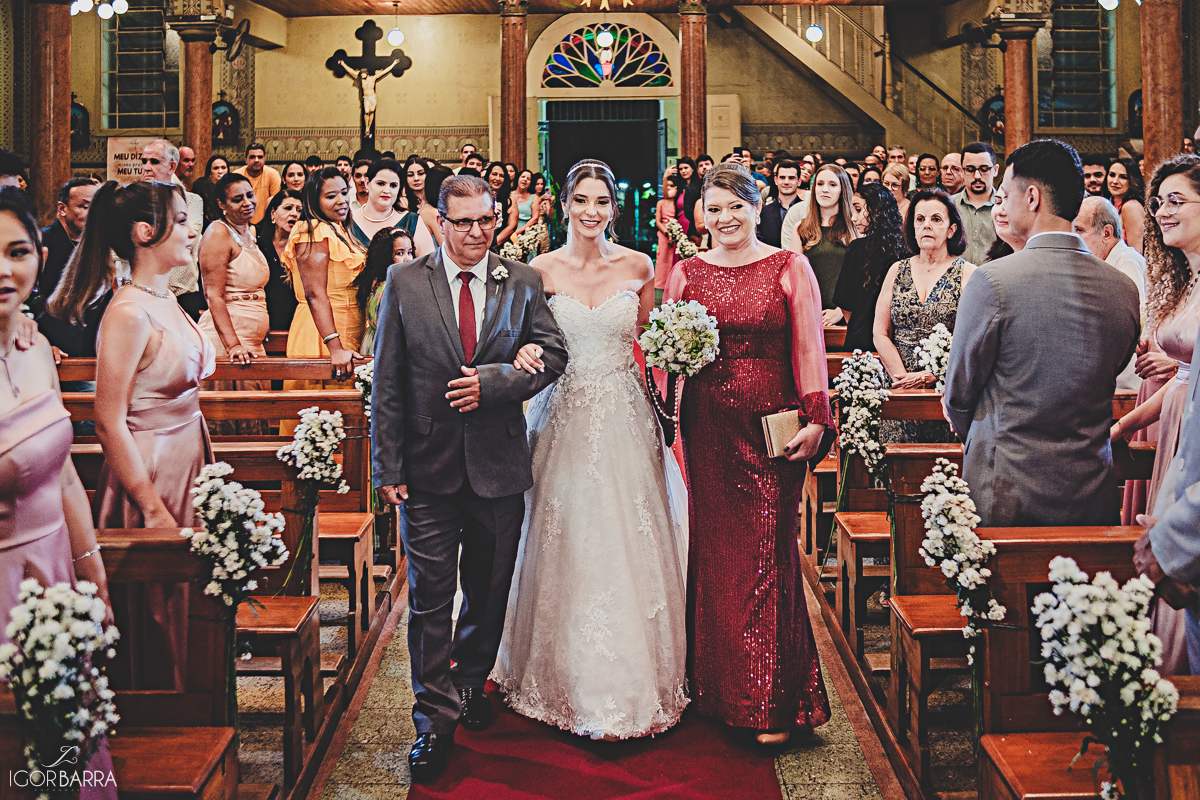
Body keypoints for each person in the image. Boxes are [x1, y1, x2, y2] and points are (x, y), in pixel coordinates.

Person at [370, 174, 568, 782]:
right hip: (427, 471)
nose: (477, 233)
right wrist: (388, 466)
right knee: (430, 601)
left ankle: (468, 682)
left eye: (486, 220)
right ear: (438, 221)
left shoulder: (523, 281)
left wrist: (501, 382)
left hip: (498, 465)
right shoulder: (406, 282)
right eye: (463, 222)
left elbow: (554, 354)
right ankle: (433, 721)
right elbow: (388, 381)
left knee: (486, 592)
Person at [493, 159, 689, 741]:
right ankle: (558, 676)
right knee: (567, 531)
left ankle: (633, 680)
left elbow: (654, 339)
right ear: (565, 203)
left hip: (625, 414)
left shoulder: (638, 264)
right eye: (582, 200)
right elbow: (519, 338)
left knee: (629, 535)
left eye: (602, 201)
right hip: (564, 412)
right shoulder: (540, 269)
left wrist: (681, 351)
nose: (592, 212)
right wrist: (525, 356)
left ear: (613, 206)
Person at [662, 162, 831, 746]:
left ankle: (769, 698)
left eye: (736, 206)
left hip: (771, 425)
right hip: (706, 426)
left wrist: (817, 419)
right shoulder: (686, 272)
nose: (725, 218)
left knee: (767, 553)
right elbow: (666, 354)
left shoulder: (789, 266)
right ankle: (712, 688)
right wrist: (663, 414)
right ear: (701, 216)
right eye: (714, 208)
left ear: (758, 209)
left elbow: (809, 345)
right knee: (713, 552)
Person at [944, 139, 1140, 527]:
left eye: (1006, 192)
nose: (1001, 203)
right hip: (1090, 489)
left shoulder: (993, 280)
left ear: (1031, 197)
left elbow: (958, 394)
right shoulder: (1122, 287)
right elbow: (1115, 366)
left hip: (1008, 489)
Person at [0, 186, 117, 799]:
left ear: (40, 257)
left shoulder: (34, 346)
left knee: (71, 760)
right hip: (4, 588)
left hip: (55, 574)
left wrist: (91, 571)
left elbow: (64, 469)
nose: (3, 269)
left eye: (17, 250)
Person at [87, 180, 215, 691]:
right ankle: (168, 710)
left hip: (189, 453)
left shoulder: (163, 297)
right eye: (181, 220)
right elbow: (107, 420)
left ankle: (198, 700)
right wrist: (152, 507)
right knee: (161, 604)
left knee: (191, 599)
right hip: (153, 469)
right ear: (145, 232)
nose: (191, 230)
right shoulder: (127, 312)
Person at [874, 190, 975, 443]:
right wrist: (903, 381)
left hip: (944, 386)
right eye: (920, 219)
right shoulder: (897, 270)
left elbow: (972, 340)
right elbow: (880, 332)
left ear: (951, 229)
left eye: (936, 219)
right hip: (898, 382)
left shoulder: (968, 274)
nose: (926, 225)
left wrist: (929, 378)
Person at [195, 174, 271, 435]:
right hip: (226, 339)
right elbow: (213, 295)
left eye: (250, 195)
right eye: (237, 199)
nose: (247, 202)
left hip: (252, 337)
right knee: (228, 423)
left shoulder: (251, 231)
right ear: (222, 204)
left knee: (255, 415)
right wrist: (233, 345)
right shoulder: (218, 232)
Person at [282, 167, 368, 390]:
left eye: (343, 192)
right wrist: (334, 346)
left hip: (347, 326)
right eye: (331, 196)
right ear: (314, 201)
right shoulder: (314, 231)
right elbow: (314, 293)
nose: (341, 201)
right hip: (323, 333)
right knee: (321, 413)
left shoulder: (339, 229)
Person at [1073, 196, 1147, 391]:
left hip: (1128, 381)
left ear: (1106, 233)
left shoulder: (1127, 260)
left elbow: (1134, 321)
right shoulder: (1097, 263)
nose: (1073, 238)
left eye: (1079, 230)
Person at [833, 183, 907, 352]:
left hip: (861, 337)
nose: (853, 218)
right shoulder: (907, 248)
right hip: (897, 340)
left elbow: (845, 303)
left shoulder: (857, 249)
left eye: (858, 210)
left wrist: (859, 326)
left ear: (876, 210)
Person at [783, 163, 857, 322]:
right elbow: (795, 279)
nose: (825, 189)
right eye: (820, 184)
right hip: (810, 314)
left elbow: (862, 278)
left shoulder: (855, 228)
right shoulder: (801, 228)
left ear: (842, 190)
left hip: (848, 314)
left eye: (832, 185)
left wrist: (840, 311)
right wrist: (808, 311)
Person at [142, 140, 205, 320]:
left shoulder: (191, 200)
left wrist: (149, 240)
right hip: (144, 292)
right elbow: (118, 249)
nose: (146, 167)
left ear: (171, 166)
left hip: (181, 293)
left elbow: (187, 240)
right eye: (144, 161)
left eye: (154, 162)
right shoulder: (134, 201)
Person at [350, 158, 436, 256]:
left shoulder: (412, 221)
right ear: (367, 183)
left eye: (393, 185)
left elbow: (429, 265)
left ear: (399, 188)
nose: (387, 190)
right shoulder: (348, 221)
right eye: (381, 184)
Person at [354, 226, 414, 355]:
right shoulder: (390, 286)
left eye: (410, 252)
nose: (407, 259)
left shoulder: (375, 281)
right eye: (400, 253)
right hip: (386, 346)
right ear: (385, 256)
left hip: (372, 341)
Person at [257, 189, 302, 332]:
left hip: (297, 322)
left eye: (299, 210)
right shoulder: (259, 245)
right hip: (264, 321)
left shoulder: (305, 248)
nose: (294, 213)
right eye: (288, 208)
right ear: (273, 213)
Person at [954, 142, 1000, 266]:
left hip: (994, 278)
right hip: (956, 279)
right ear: (962, 171)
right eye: (970, 170)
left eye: (984, 169)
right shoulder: (948, 205)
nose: (977, 176)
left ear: (995, 170)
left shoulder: (1006, 207)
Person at [233, 143, 281, 225]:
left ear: (264, 159)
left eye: (260, 157)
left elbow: (275, 203)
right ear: (246, 160)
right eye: (252, 157)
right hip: (241, 222)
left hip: (266, 223)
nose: (256, 160)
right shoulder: (237, 175)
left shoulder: (273, 174)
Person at [759, 159, 802, 248]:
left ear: (799, 181)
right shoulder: (763, 212)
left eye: (791, 178)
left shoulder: (808, 210)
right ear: (776, 180)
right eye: (782, 177)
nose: (786, 182)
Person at [1108, 157, 1146, 252]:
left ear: (1132, 180)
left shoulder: (1131, 207)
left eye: (1123, 177)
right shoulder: (1111, 203)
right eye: (1112, 175)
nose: (1115, 181)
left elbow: (1136, 253)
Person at [655, 173, 686, 289]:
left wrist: (674, 234)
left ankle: (673, 284)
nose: (669, 189)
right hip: (663, 234)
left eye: (672, 186)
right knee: (662, 259)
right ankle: (660, 285)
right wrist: (667, 233)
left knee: (673, 259)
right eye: (667, 186)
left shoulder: (677, 203)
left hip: (676, 234)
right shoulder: (661, 203)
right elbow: (658, 221)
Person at [405, 157, 444, 245]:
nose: (416, 178)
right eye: (410, 175)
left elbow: (444, 245)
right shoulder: (402, 203)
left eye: (421, 173)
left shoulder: (436, 203)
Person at [192, 155, 230, 230]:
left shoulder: (234, 187)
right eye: (216, 168)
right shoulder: (201, 186)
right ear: (210, 172)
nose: (220, 171)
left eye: (223, 168)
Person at [484, 162, 518, 248]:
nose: (497, 178)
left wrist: (494, 243)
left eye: (501, 176)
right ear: (488, 175)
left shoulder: (510, 199)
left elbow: (512, 226)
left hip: (502, 245)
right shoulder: (479, 196)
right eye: (494, 174)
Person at [510, 169, 542, 240]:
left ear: (530, 183)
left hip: (527, 236)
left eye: (528, 179)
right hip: (508, 234)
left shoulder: (534, 197)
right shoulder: (509, 195)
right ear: (518, 179)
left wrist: (518, 232)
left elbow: (535, 218)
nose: (525, 180)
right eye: (523, 177)